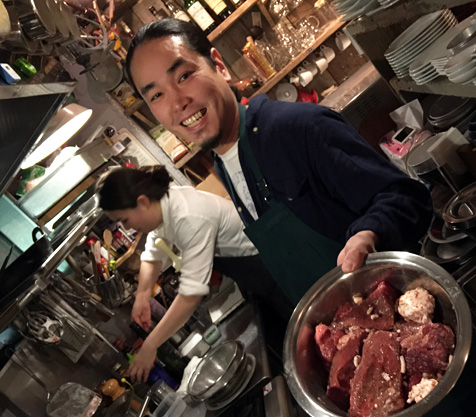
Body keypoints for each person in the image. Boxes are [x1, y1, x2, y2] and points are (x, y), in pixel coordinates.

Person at [124, 19, 433, 305]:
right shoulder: (223, 164)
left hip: (403, 308)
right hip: (342, 327)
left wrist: (369, 233)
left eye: (184, 76)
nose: (177, 102)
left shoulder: (296, 128)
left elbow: (406, 197)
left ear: (219, 65)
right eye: (156, 96)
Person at [97, 166, 280, 382]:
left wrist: (150, 345)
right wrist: (142, 296)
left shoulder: (188, 217)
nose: (126, 228)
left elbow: (190, 295)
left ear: (142, 202)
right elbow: (153, 254)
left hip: (266, 264)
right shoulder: (163, 206)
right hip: (245, 268)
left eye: (124, 220)